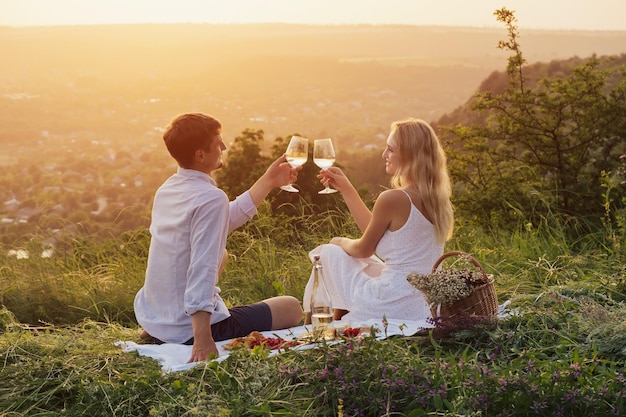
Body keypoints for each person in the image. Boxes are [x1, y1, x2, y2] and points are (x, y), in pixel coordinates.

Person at [134, 112, 303, 363]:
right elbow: (202, 266)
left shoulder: (168, 188)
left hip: (157, 317)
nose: (224, 146)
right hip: (186, 331)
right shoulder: (209, 198)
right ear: (201, 155)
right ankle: (194, 329)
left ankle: (165, 327)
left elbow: (224, 219)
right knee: (292, 307)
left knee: (220, 254)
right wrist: (202, 339)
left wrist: (268, 181)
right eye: (218, 143)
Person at [303, 118, 454, 324]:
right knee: (369, 264)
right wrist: (347, 189)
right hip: (426, 305)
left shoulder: (394, 198)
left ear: (408, 155)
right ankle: (331, 318)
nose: (384, 155)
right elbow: (376, 233)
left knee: (327, 253)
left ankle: (312, 323)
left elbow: (363, 249)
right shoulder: (438, 200)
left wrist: (339, 241)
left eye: (390, 150)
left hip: (390, 302)